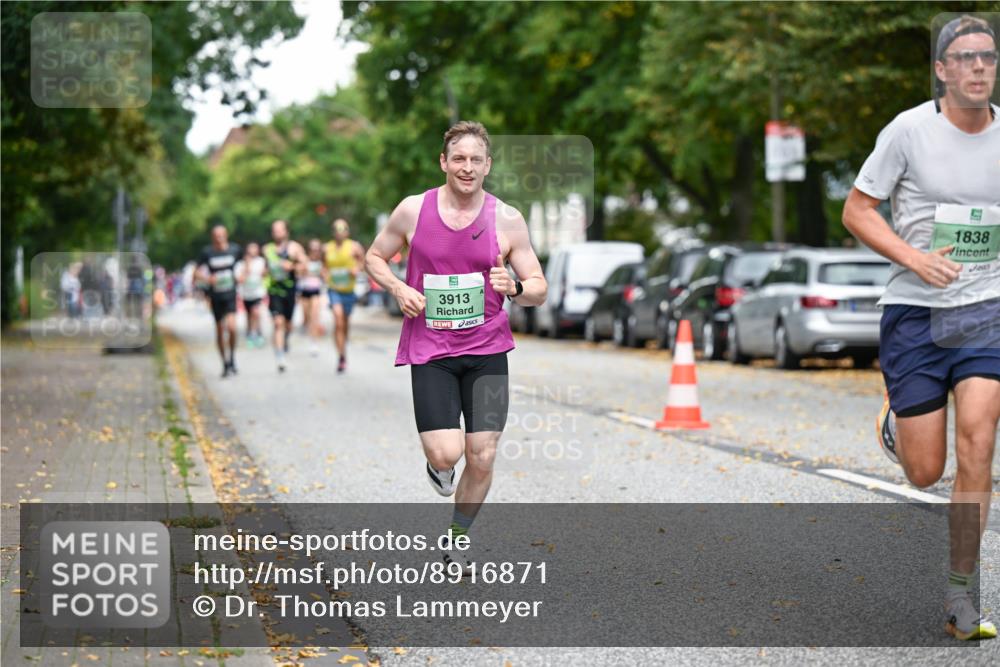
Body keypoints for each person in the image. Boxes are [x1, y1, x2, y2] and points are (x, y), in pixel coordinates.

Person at [842, 15, 1000, 641]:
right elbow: (857, 211)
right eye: (964, 57)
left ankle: (963, 598)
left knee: (979, 444)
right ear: (941, 70)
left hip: (988, 309)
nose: (979, 67)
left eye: (988, 56)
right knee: (924, 471)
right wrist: (915, 258)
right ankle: (897, 416)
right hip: (915, 311)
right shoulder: (908, 131)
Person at [366, 121, 547, 571]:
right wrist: (397, 288)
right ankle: (440, 469)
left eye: (476, 160)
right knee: (446, 454)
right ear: (444, 162)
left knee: (482, 455)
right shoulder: (412, 210)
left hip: (486, 349)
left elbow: (540, 287)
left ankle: (455, 538)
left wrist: (516, 286)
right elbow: (373, 256)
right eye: (459, 159)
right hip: (431, 348)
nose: (467, 167)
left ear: (488, 166)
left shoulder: (507, 219)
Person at [196, 225, 243, 377]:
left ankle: (232, 358)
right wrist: (208, 278)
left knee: (232, 328)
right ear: (212, 237)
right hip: (215, 296)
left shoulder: (235, 250)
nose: (219, 237)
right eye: (216, 235)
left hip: (230, 294)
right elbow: (196, 272)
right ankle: (224, 363)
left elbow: (244, 266)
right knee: (219, 330)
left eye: (222, 234)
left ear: (226, 235)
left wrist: (241, 276)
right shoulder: (207, 252)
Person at [324, 219, 366, 372]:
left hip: (349, 290)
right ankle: (341, 356)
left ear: (347, 231)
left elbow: (364, 262)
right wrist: (325, 274)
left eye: (342, 229)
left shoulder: (354, 247)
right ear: (333, 232)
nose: (339, 232)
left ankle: (343, 346)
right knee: (338, 320)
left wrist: (357, 269)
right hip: (334, 289)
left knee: (345, 323)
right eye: (336, 229)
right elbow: (324, 267)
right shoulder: (327, 248)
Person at [263, 220, 305, 373]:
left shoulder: (294, 248)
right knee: (278, 323)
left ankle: (285, 339)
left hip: (290, 291)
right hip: (274, 291)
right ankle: (280, 356)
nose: (277, 233)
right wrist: (264, 273)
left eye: (280, 230)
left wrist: (292, 266)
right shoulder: (267, 249)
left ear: (286, 232)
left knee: (287, 324)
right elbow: (265, 269)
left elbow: (304, 266)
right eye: (274, 230)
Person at [298, 239, 326, 357]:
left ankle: (314, 342)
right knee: (307, 318)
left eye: (317, 249)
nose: (315, 251)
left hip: (316, 292)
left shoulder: (322, 262)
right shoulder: (305, 260)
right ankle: (306, 328)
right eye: (312, 249)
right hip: (305, 291)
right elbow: (299, 273)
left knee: (315, 317)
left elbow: (325, 276)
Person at [236, 241, 267, 348]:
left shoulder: (261, 262)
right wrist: (247, 266)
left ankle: (258, 334)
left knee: (256, 312)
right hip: (246, 294)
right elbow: (239, 279)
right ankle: (250, 333)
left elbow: (265, 274)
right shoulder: (240, 264)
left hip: (258, 293)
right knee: (249, 316)